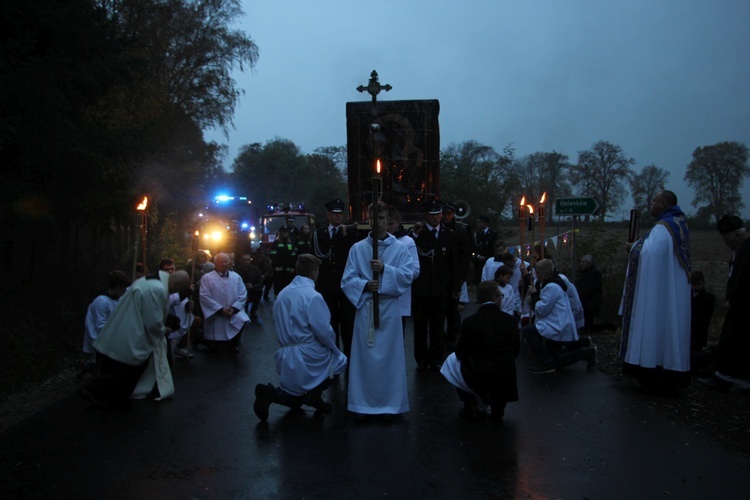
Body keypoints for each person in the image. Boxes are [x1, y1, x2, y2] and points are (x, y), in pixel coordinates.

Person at [341, 202, 415, 421]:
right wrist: (365, 285)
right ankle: (363, 405)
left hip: (389, 309)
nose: (378, 223)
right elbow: (347, 280)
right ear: (368, 220)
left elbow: (407, 276)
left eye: (382, 218)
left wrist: (385, 270)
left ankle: (391, 405)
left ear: (387, 219)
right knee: (365, 359)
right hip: (366, 307)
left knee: (390, 359)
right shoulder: (358, 248)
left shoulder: (400, 249)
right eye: (374, 218)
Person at [253, 254, 348, 421]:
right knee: (340, 360)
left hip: (287, 351)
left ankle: (271, 394)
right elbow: (323, 330)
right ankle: (315, 394)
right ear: (313, 273)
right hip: (309, 352)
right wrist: (334, 349)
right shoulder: (312, 296)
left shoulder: (282, 294)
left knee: (295, 397)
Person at [84, 270, 191, 407]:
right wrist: (164, 330)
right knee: (123, 370)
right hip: (131, 332)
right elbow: (152, 321)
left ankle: (107, 395)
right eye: (177, 290)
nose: (174, 293)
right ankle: (95, 393)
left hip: (126, 326)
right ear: (175, 283)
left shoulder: (152, 280)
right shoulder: (157, 289)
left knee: (123, 369)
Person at [619, 190, 691, 393]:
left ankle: (653, 369)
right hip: (671, 288)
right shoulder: (679, 224)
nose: (651, 204)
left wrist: (633, 248)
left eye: (654, 201)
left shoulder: (664, 227)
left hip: (659, 290)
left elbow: (651, 253)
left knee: (655, 324)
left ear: (663, 204)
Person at [440, 280, 520, 422]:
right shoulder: (511, 321)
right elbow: (516, 350)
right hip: (504, 375)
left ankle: (469, 401)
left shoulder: (470, 322)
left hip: (478, 374)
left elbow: (460, 351)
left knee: (451, 361)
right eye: (501, 296)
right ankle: (498, 405)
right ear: (495, 298)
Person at [522, 259, 596, 374]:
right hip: (555, 322)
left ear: (546, 273)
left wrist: (534, 295)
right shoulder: (551, 284)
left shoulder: (552, 287)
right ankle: (585, 353)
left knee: (528, 331)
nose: (536, 275)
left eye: (538, 273)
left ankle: (546, 362)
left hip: (557, 324)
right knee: (556, 359)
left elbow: (542, 309)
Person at [410, 199, 460, 371]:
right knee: (420, 326)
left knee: (438, 325)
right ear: (426, 216)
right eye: (432, 215)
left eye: (438, 214)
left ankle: (436, 357)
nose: (436, 218)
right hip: (421, 289)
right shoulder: (417, 234)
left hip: (440, 288)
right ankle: (421, 358)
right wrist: (415, 235)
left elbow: (454, 264)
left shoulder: (449, 234)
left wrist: (456, 286)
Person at [707, 215, 750, 392]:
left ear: (736, 235)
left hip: (742, 307)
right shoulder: (743, 250)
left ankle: (729, 377)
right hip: (740, 305)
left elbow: (743, 279)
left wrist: (733, 300)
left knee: (737, 341)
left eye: (726, 239)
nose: (726, 243)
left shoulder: (746, 252)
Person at [313, 198, 357, 358]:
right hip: (326, 285)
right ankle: (333, 355)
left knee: (348, 325)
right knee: (329, 324)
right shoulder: (319, 235)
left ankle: (350, 357)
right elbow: (314, 257)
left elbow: (354, 255)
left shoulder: (350, 233)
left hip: (345, 286)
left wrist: (345, 236)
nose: (338, 217)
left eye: (340, 214)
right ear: (328, 215)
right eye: (335, 214)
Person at [77, 270, 132, 379]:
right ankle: (86, 366)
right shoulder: (101, 301)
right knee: (104, 369)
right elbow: (100, 326)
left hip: (113, 337)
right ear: (117, 287)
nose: (125, 290)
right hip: (101, 338)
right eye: (123, 288)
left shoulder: (119, 299)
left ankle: (88, 366)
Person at [199, 252, 249, 353]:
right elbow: (204, 296)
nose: (224, 264)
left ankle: (233, 343)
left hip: (232, 311)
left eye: (226, 261)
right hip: (216, 312)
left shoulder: (236, 277)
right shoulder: (207, 278)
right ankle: (213, 344)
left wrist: (234, 309)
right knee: (217, 333)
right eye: (221, 262)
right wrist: (220, 309)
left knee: (242, 319)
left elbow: (243, 294)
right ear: (215, 263)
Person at [386, 205, 420, 334]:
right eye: (386, 223)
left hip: (399, 298)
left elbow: (415, 271)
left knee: (398, 338)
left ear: (398, 223)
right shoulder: (374, 241)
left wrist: (389, 270)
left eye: (391, 224)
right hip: (379, 299)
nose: (388, 227)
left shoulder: (407, 242)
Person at [441, 203, 471, 350]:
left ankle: (453, 339)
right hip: (440, 277)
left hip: (454, 276)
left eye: (449, 214)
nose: (447, 217)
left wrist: (461, 278)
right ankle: (441, 339)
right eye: (444, 214)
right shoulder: (439, 230)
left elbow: (465, 257)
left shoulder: (460, 231)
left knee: (453, 311)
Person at [689, 270, 715, 376]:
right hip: (690, 327)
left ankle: (695, 368)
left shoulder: (708, 298)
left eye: (697, 284)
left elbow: (706, 316)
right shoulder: (688, 296)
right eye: (693, 284)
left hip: (699, 328)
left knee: (696, 350)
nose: (695, 287)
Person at [576, 254, 603, 333]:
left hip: (591, 300)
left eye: (584, 262)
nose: (582, 264)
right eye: (581, 262)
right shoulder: (583, 273)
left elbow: (589, 288)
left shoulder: (594, 274)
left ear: (589, 264)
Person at [269, 226, 297, 297]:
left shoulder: (290, 243)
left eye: (287, 232)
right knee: (278, 288)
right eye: (284, 232)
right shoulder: (276, 243)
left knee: (288, 288)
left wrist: (293, 267)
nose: (285, 234)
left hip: (288, 270)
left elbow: (293, 256)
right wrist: (275, 267)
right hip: (279, 270)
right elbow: (273, 256)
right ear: (280, 233)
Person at [236, 252, 263, 322]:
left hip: (252, 291)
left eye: (247, 260)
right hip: (240, 292)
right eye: (244, 260)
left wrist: (252, 286)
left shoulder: (255, 270)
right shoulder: (236, 271)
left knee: (259, 291)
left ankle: (253, 310)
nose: (246, 262)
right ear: (240, 260)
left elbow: (260, 283)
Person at [471, 214, 497, 285]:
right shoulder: (477, 234)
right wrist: (477, 255)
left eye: (480, 222)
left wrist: (487, 257)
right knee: (479, 281)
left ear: (485, 223)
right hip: (479, 263)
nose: (478, 224)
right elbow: (474, 247)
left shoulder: (492, 234)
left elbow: (493, 247)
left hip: (489, 261)